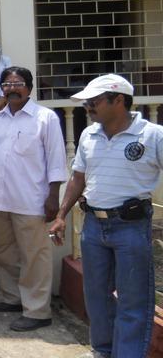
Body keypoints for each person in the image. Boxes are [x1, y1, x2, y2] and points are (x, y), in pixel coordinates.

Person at [50, 74, 161, 358]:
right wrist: (61, 215)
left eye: (94, 101)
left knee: (132, 300)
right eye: (87, 102)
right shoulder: (89, 135)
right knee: (96, 296)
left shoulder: (153, 135)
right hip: (93, 227)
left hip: (131, 227)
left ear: (119, 100)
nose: (88, 107)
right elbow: (77, 178)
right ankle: (102, 350)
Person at [0, 66, 67, 331]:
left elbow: (56, 160)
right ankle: (12, 298)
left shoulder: (46, 118)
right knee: (4, 253)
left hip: (31, 199)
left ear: (29, 88)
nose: (12, 89)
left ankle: (37, 311)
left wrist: (53, 197)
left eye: (18, 83)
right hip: (0, 199)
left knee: (34, 257)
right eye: (7, 85)